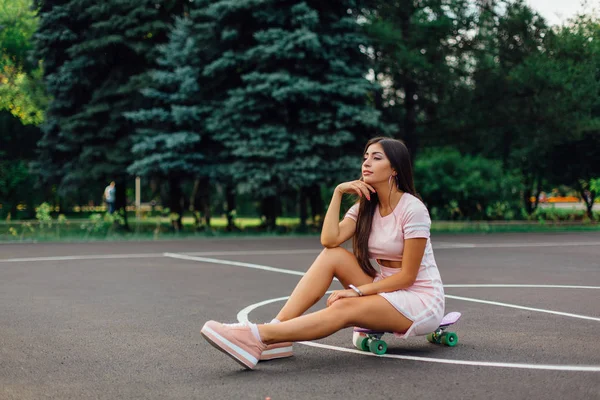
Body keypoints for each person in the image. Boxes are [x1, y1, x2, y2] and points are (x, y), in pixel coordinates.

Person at [200, 137, 445, 370]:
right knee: (333, 256)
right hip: (386, 287)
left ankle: (257, 335)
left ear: (394, 169)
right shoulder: (366, 207)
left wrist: (356, 292)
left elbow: (407, 278)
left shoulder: (413, 209)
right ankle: (277, 333)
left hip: (419, 299)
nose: (366, 163)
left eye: (376, 158)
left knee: (343, 307)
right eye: (365, 157)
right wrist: (337, 192)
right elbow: (329, 240)